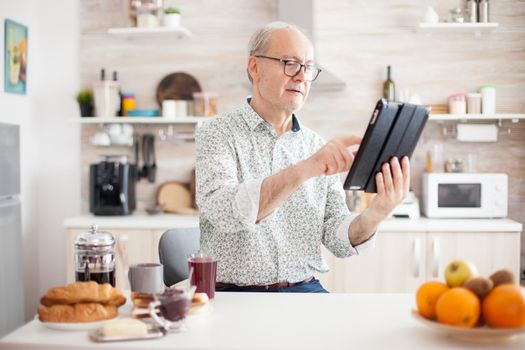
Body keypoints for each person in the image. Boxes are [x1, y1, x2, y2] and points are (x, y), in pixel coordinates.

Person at [195, 22, 410, 293]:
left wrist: (377, 212)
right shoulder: (217, 132)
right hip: (235, 293)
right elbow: (223, 212)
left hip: (305, 289)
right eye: (290, 63)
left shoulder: (315, 145)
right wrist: (308, 168)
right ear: (255, 67)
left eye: (307, 67)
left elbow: (337, 238)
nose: (301, 76)